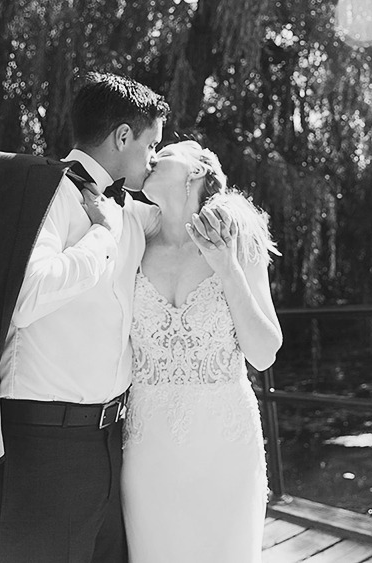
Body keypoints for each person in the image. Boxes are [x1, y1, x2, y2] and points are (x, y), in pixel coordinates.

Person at [0, 72, 167, 563]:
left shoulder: (129, 211)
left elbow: (188, 214)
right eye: (152, 146)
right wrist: (101, 238)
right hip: (40, 448)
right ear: (121, 137)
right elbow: (28, 295)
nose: (153, 160)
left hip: (110, 443)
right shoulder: (45, 193)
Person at [120, 141, 282, 562]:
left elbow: (263, 353)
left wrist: (226, 266)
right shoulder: (130, 236)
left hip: (224, 449)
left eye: (166, 149)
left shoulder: (236, 237)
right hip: (147, 451)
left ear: (196, 171)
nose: (151, 155)